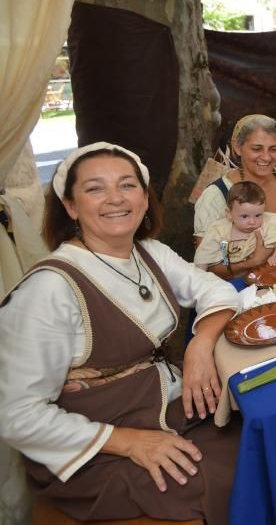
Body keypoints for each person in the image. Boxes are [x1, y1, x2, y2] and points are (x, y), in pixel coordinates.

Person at [0, 143, 240, 522]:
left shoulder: (149, 252)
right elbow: (17, 415)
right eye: (95, 188)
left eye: (128, 185)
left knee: (258, 434)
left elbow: (218, 290)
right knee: (210, 478)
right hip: (97, 448)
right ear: (71, 206)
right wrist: (129, 442)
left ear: (145, 199)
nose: (115, 198)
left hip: (166, 408)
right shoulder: (49, 289)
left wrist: (201, 345)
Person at [194, 114, 276, 242]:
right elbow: (206, 254)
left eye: (273, 149)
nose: (266, 157)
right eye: (257, 149)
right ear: (238, 148)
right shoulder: (216, 195)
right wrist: (257, 259)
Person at [193, 180, 276, 277]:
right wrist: (200, 278)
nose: (252, 222)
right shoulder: (218, 230)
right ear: (229, 213)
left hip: (262, 273)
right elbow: (203, 256)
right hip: (230, 277)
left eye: (258, 215)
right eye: (244, 216)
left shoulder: (269, 221)